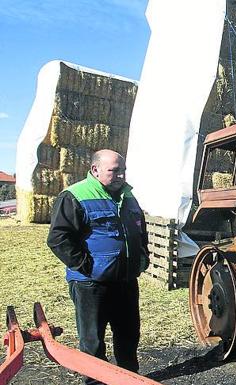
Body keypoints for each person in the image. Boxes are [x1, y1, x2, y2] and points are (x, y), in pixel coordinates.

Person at [47, 149, 149, 384]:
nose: (121, 176)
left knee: (129, 336)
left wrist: (142, 257)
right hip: (90, 284)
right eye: (115, 171)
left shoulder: (128, 196)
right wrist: (86, 266)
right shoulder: (74, 195)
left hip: (125, 281)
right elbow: (58, 238)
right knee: (92, 341)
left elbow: (139, 229)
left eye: (123, 170)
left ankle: (130, 379)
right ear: (95, 169)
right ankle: (96, 382)